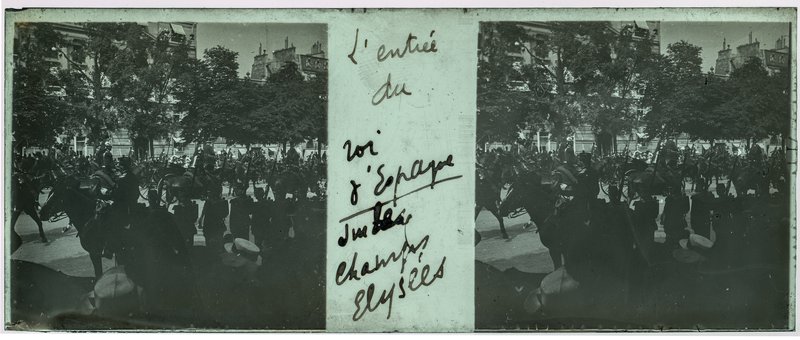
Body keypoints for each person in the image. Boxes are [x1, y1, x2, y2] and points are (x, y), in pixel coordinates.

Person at [199, 185, 229, 253]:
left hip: (215, 226)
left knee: (217, 244)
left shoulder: (223, 202)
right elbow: (203, 211)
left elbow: (225, 214)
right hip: (209, 225)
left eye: (210, 192)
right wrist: (200, 220)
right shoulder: (209, 202)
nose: (208, 193)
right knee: (210, 244)